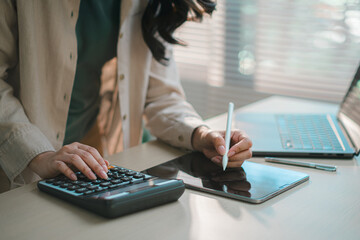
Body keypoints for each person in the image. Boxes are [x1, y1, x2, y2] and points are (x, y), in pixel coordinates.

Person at [0, 0, 252, 193]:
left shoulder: (148, 5)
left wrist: (202, 135)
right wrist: (39, 154)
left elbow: (161, 96)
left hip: (89, 159)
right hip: (16, 162)